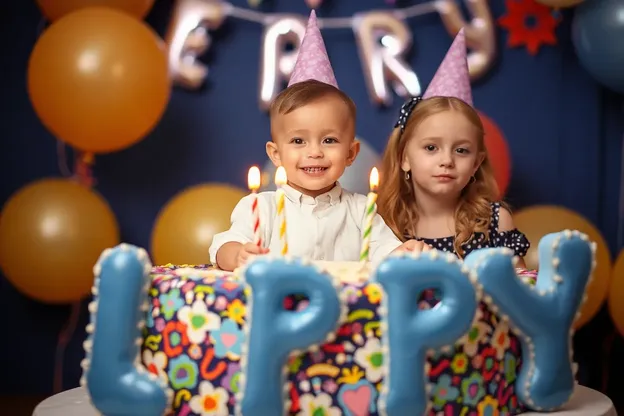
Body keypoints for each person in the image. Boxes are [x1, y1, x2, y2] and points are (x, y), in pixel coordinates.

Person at [209, 11, 415, 271]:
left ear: (351, 153)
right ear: (275, 154)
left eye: (329, 140)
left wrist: (405, 252)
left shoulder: (363, 211)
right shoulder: (261, 207)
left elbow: (387, 252)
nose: (315, 152)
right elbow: (223, 245)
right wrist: (238, 254)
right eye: (298, 141)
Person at [377, 29, 530, 267]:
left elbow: (520, 290)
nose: (447, 160)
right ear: (404, 157)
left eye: (461, 150)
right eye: (431, 147)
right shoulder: (384, 225)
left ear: (476, 163)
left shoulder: (495, 222)